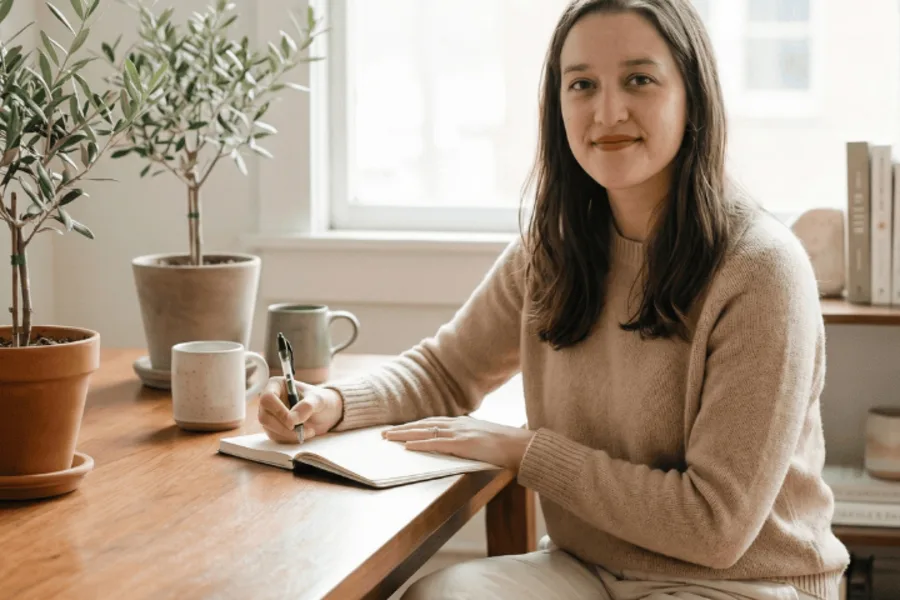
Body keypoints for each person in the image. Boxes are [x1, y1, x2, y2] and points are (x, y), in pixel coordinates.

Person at [258, 0, 850, 598]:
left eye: (639, 80)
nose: (607, 111)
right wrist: (332, 403)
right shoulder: (553, 252)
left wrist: (527, 453)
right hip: (587, 569)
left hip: (744, 583)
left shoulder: (761, 270)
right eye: (582, 85)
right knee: (438, 595)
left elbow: (714, 527)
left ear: (692, 95)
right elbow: (446, 371)